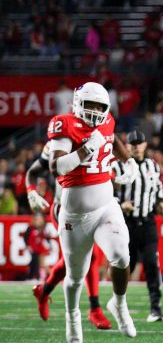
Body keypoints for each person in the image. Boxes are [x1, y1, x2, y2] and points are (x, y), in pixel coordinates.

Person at [47, 82, 140, 343]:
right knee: (76, 276)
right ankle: (72, 316)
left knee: (121, 256)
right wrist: (87, 148)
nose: (96, 112)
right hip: (75, 216)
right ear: (78, 103)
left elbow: (113, 139)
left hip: (105, 206)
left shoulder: (107, 122)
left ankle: (119, 303)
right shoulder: (65, 124)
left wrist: (129, 161)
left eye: (100, 107)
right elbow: (57, 167)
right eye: (91, 105)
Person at [28, 141, 112, 329]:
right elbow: (33, 171)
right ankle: (95, 308)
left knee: (75, 260)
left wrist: (125, 165)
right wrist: (31, 191)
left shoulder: (99, 136)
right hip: (65, 210)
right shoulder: (59, 140)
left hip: (91, 209)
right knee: (88, 256)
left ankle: (44, 291)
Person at [113, 130, 163, 322]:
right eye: (133, 143)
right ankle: (119, 304)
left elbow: (157, 188)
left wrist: (161, 203)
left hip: (147, 221)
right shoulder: (117, 166)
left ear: (145, 145)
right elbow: (107, 192)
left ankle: (156, 308)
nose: (136, 147)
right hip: (126, 223)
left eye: (139, 143)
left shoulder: (152, 165)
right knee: (126, 266)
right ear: (126, 146)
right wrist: (121, 205)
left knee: (152, 263)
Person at [24, 213, 50, 280]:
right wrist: (28, 246)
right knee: (35, 262)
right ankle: (35, 276)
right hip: (34, 249)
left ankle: (44, 276)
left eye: (40, 219)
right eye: (37, 219)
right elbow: (26, 237)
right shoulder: (30, 228)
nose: (38, 221)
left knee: (41, 263)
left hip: (41, 248)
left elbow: (46, 239)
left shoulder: (43, 229)